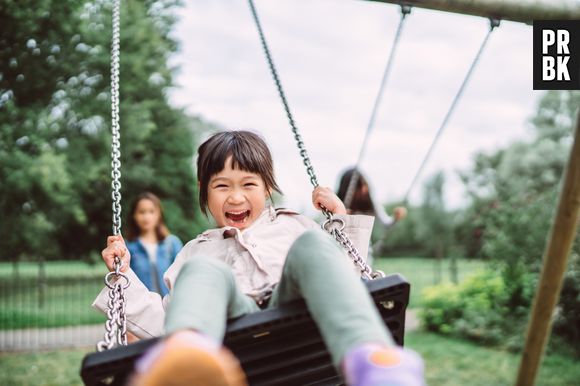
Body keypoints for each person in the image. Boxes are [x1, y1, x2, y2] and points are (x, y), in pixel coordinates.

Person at [94, 130, 424, 386]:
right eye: (221, 186)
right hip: (233, 331)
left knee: (314, 246)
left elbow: (343, 283)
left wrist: (341, 221)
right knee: (202, 270)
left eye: (248, 184)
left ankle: (372, 361)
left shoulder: (295, 225)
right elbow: (163, 320)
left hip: (296, 316)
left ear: (266, 187)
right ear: (204, 190)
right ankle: (188, 355)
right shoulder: (195, 250)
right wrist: (124, 277)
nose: (235, 197)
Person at [337, 168, 407, 261]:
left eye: (364, 185)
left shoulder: (371, 204)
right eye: (359, 187)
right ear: (347, 189)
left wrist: (395, 218)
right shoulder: (338, 204)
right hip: (340, 249)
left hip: (363, 251)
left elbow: (386, 224)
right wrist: (340, 214)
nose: (364, 190)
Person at [126, 192, 183, 297]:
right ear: (134, 215)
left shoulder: (172, 244)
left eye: (151, 212)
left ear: (159, 214)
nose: (146, 217)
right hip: (141, 308)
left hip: (169, 307)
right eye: (141, 212)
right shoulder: (128, 247)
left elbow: (183, 276)